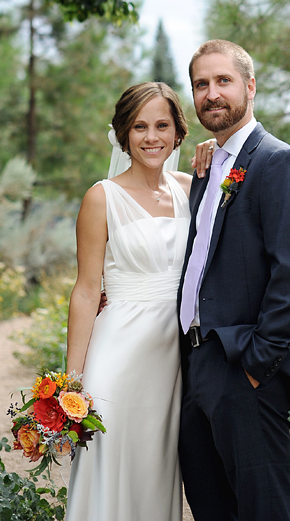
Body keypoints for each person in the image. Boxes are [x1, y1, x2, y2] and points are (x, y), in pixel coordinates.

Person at [178, 39, 290, 521]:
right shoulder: (209, 168)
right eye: (202, 84)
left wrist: (259, 363)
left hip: (244, 368)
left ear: (250, 86)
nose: (212, 93)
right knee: (212, 505)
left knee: (264, 510)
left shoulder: (276, 161)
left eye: (223, 80)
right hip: (196, 364)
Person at [64, 81, 193, 521]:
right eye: (139, 126)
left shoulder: (190, 190)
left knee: (155, 473)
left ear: (179, 132)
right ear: (123, 134)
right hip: (117, 358)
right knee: (110, 466)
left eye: (162, 125)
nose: (151, 137)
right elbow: (85, 289)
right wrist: (72, 382)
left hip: (173, 362)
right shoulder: (101, 197)